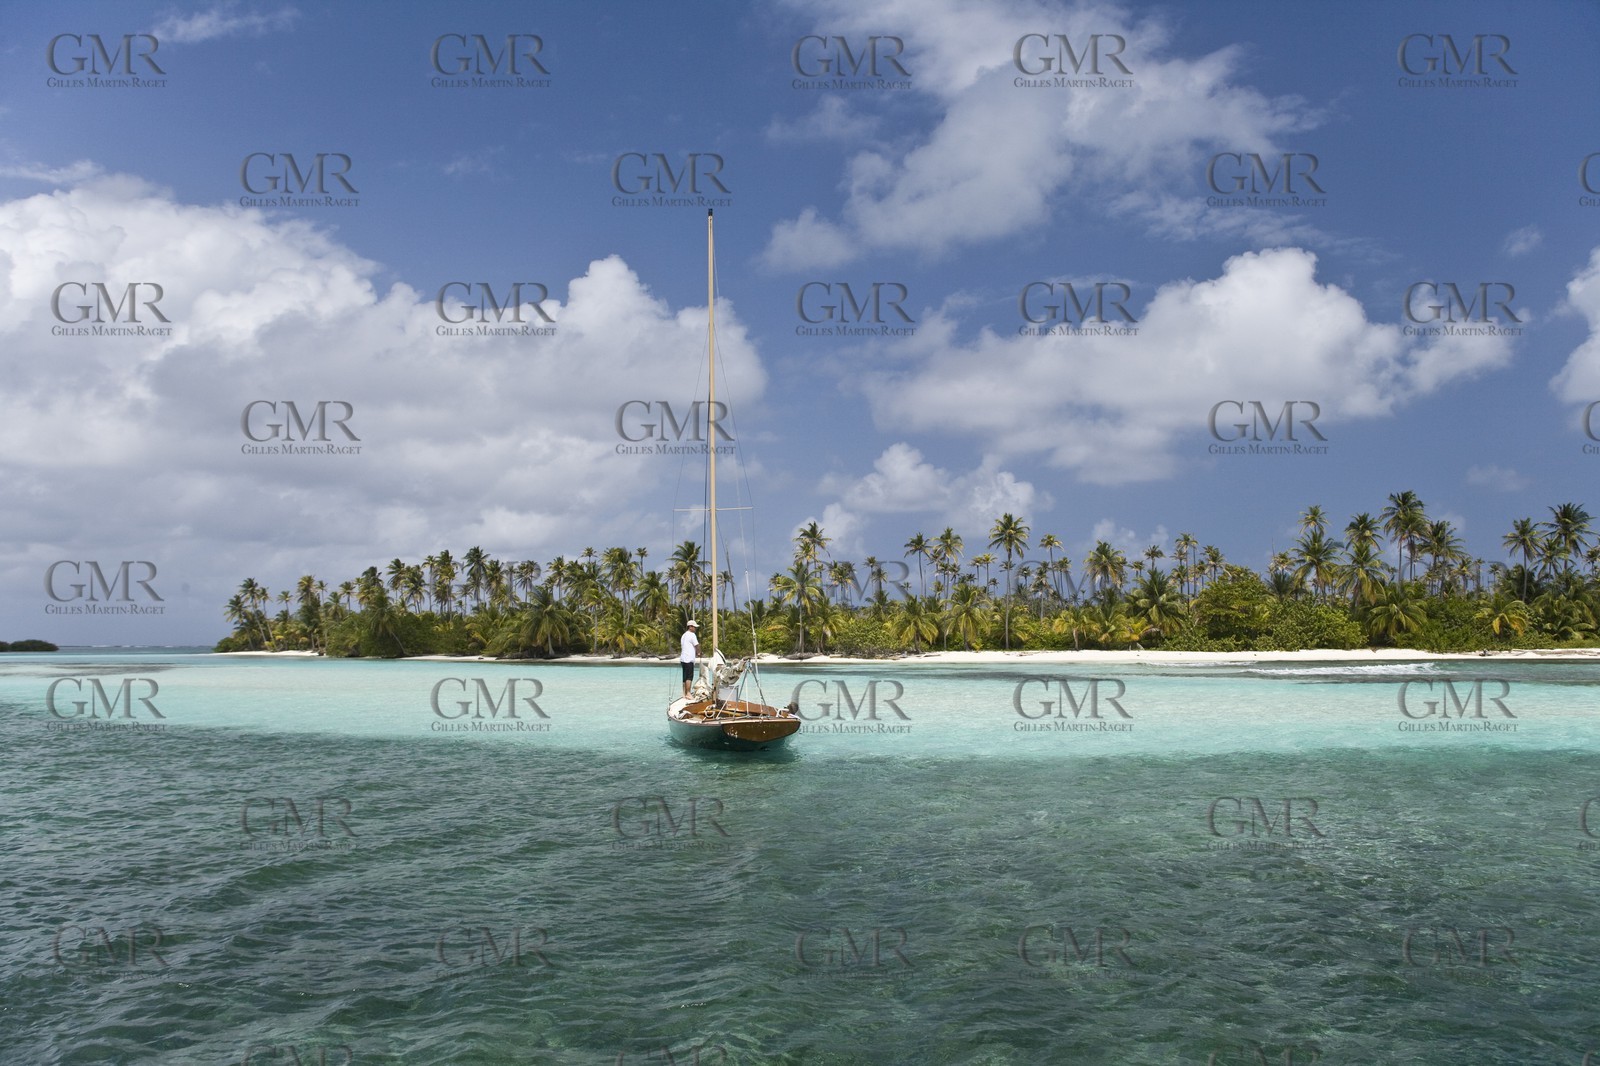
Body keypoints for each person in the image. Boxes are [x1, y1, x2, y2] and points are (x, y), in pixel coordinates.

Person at [679, 619, 700, 697]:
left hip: (683, 659)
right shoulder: (692, 635)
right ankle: (688, 693)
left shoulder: (683, 635)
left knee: (684, 677)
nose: (695, 629)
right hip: (689, 659)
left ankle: (684, 693)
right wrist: (699, 653)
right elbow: (697, 645)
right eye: (694, 627)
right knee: (689, 677)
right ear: (690, 627)